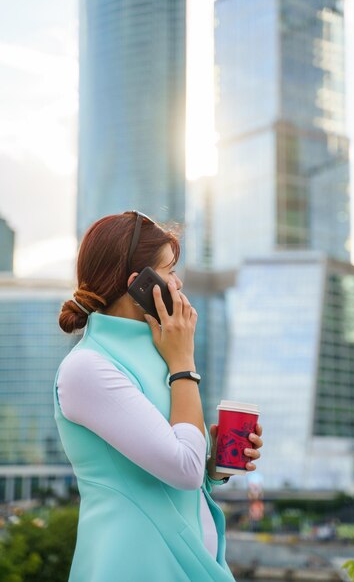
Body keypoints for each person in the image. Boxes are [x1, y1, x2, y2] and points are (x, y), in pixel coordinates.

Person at [54, 211, 263, 582]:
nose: (178, 283)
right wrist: (184, 363)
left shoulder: (158, 355)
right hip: (133, 565)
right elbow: (182, 469)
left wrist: (212, 465)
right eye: (169, 271)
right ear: (140, 284)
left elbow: (181, 469)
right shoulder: (88, 368)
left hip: (190, 560)